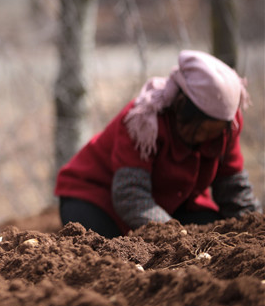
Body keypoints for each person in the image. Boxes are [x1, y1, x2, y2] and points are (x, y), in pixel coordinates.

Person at [55, 50, 262, 238]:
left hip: (172, 203)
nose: (204, 138)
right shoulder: (143, 121)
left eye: (212, 133)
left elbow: (233, 188)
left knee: (216, 232)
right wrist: (174, 234)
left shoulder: (228, 126)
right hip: (97, 197)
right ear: (180, 107)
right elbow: (130, 195)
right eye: (199, 130)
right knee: (104, 245)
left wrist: (256, 227)